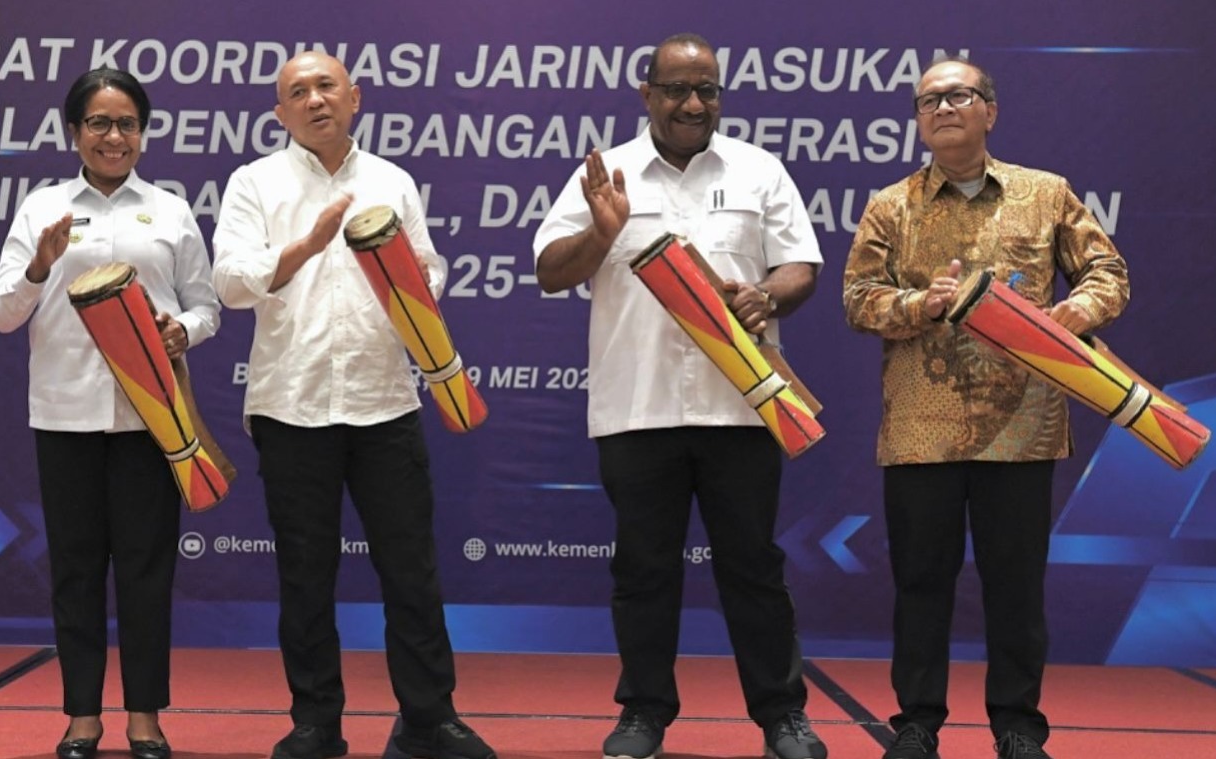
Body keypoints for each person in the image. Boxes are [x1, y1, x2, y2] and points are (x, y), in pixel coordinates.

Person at [533, 33, 827, 759]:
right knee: (644, 570)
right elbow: (549, 270)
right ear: (647, 94)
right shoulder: (606, 175)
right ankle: (643, 713)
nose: (694, 104)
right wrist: (602, 234)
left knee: (753, 568)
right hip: (638, 407)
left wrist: (767, 296)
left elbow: (802, 264)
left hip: (744, 405)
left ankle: (782, 716)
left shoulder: (759, 170)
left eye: (707, 90)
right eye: (676, 90)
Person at [842, 56, 1129, 759]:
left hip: (1023, 426)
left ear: (990, 111)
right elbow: (858, 299)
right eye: (928, 101)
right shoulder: (890, 206)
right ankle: (916, 724)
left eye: (959, 96)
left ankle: (1018, 727)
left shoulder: (1045, 193)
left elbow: (1108, 271)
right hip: (921, 427)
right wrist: (922, 303)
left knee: (1015, 587)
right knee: (920, 584)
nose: (943, 108)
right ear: (918, 121)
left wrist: (1076, 311)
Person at [210, 51, 495, 759]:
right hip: (291, 404)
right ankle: (316, 721)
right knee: (305, 574)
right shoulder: (254, 183)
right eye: (297, 92)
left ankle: (429, 718)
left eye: (326, 86)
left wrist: (418, 275)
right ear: (279, 113)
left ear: (355, 97)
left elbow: (430, 271)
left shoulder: (392, 181)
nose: (314, 100)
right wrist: (306, 246)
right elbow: (229, 284)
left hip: (384, 402)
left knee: (411, 570)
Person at [0, 68, 220, 759]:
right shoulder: (42, 208)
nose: (113, 136)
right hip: (65, 415)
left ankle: (145, 715)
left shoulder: (171, 211)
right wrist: (39, 266)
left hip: (153, 418)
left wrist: (182, 330)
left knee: (148, 570)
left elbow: (206, 305)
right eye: (98, 123)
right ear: (74, 132)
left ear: (142, 133)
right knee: (76, 570)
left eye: (126, 124)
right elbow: (2, 315)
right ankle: (82, 716)